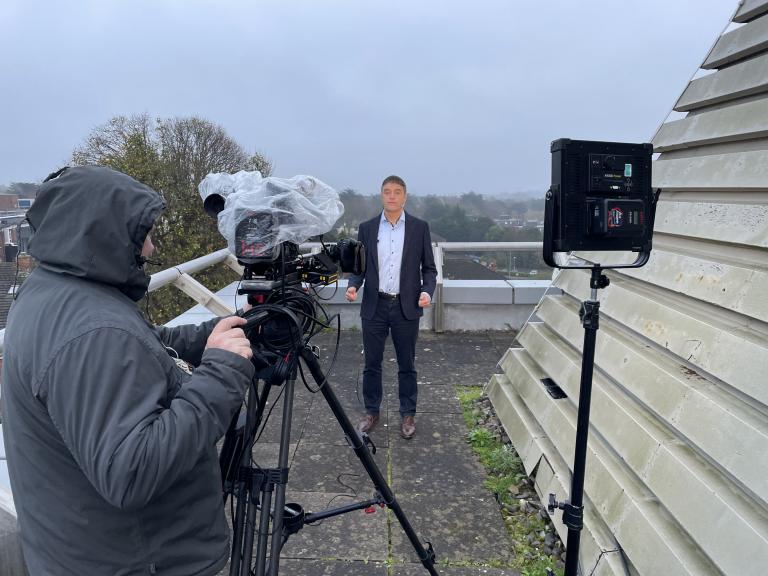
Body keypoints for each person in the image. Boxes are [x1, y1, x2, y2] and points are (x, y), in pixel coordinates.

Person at [1, 166, 255, 576]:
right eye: (144, 235)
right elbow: (132, 472)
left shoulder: (53, 290)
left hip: (79, 548)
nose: (151, 248)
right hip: (137, 560)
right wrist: (222, 372)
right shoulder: (94, 331)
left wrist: (213, 334)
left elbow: (140, 345)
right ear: (104, 235)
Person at [345, 175, 437, 440]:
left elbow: (429, 269)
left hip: (405, 306)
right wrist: (354, 285)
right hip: (375, 305)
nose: (392, 196)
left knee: (407, 364)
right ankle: (371, 411)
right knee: (372, 363)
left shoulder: (420, 228)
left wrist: (426, 291)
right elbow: (359, 267)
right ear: (381, 196)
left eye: (397, 192)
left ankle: (408, 413)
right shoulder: (367, 228)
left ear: (405, 196)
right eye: (387, 192)